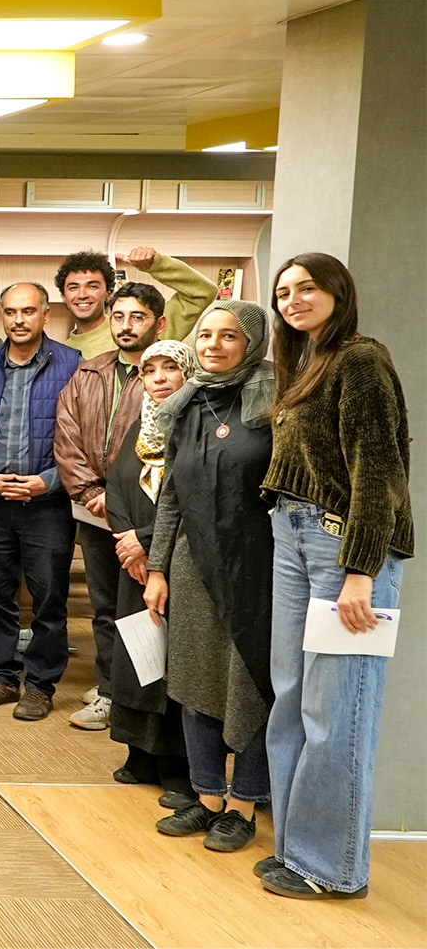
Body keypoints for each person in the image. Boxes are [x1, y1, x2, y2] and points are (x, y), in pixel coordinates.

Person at [260, 252, 413, 901]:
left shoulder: (361, 359)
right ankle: (296, 849)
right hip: (292, 535)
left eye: (307, 288)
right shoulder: (305, 363)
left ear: (337, 292)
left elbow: (378, 470)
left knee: (336, 709)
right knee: (292, 698)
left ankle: (332, 867)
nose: (293, 300)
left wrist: (360, 571)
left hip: (340, 546)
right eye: (283, 292)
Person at [144, 300, 277, 854]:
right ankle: (206, 796)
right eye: (205, 335)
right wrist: (157, 567)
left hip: (256, 565)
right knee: (194, 678)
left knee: (249, 681)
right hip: (192, 564)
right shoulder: (187, 403)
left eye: (228, 336)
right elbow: (172, 495)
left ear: (252, 343)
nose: (213, 345)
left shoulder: (274, 403)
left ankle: (244, 805)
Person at [0, 283, 82, 721]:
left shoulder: (72, 364)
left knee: (48, 599)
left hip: (47, 505)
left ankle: (41, 686)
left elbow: (81, 439)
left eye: (28, 311)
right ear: (1, 316)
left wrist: (46, 483)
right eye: (11, 312)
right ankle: (4, 677)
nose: (19, 320)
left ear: (46, 315)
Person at [55, 282, 165, 729]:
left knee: (142, 606)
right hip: (93, 510)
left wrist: (117, 500)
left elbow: (160, 453)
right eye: (119, 316)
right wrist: (89, 493)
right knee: (103, 606)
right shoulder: (88, 372)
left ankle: (139, 698)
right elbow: (66, 436)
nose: (126, 325)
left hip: (142, 515)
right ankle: (109, 690)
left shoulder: (167, 376)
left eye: (137, 316)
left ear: (158, 323)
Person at [101, 340, 195, 808]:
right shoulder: (140, 427)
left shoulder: (197, 425)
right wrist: (126, 540)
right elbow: (116, 484)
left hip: (180, 560)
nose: (158, 378)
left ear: (189, 373)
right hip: (133, 563)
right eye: (149, 370)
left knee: (174, 658)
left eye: (169, 368)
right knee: (138, 654)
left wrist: (145, 540)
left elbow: (192, 498)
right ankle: (139, 753)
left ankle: (177, 764)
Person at [55, 248, 217, 360]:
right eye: (73, 287)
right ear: (63, 296)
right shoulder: (60, 354)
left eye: (93, 286)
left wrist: (157, 265)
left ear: (109, 293)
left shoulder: (142, 328)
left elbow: (202, 293)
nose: (82, 295)